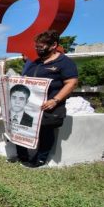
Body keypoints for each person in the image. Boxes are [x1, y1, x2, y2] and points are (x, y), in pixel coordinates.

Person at [13, 30, 78, 167]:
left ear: (53, 45)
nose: (38, 50)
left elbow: (71, 82)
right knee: (22, 129)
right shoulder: (35, 63)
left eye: (41, 47)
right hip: (31, 107)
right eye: (36, 47)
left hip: (51, 106)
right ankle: (23, 157)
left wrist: (55, 100)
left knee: (45, 132)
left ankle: (40, 159)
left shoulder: (64, 62)